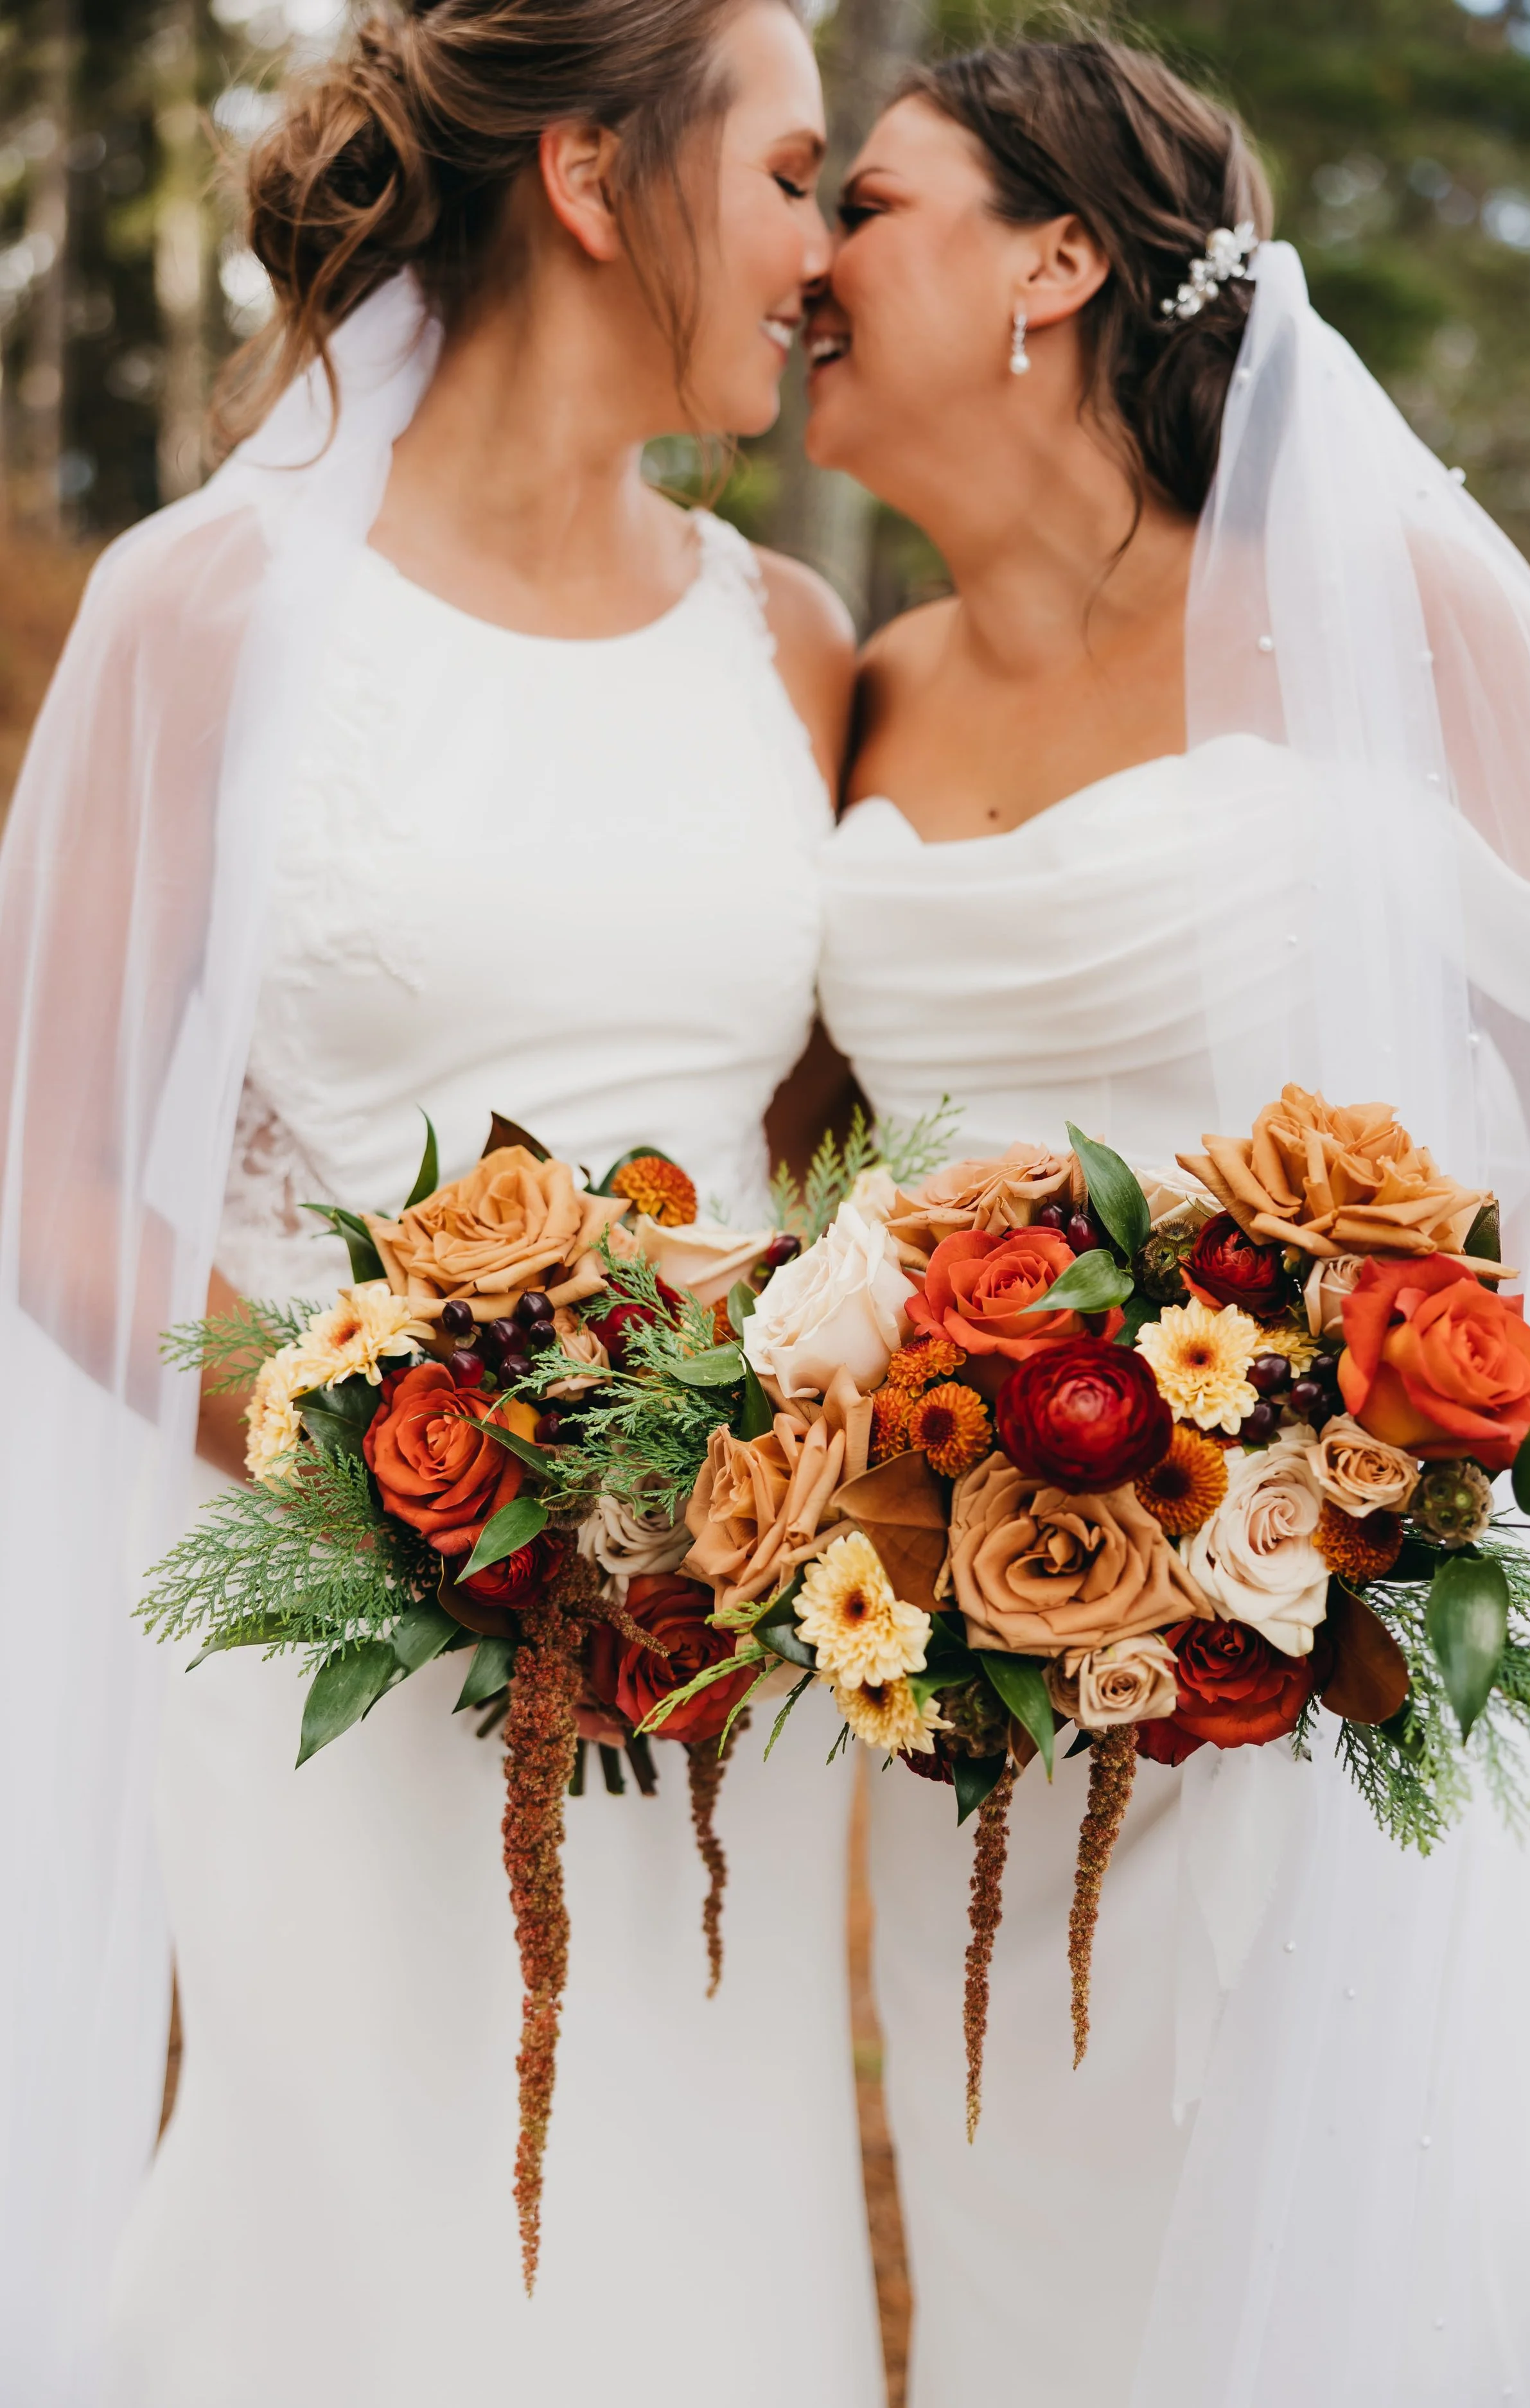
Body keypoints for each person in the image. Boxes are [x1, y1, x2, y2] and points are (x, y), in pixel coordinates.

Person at [0, 3, 887, 2400]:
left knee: (698, 2258)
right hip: (337, 1631)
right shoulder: (210, 613)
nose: (822, 257)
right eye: (794, 176)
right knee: (365, 2272)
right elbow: (55, 1176)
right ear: (598, 180)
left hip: (720, 1655)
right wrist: (406, 1479)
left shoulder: (786, 645)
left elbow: (823, 1158)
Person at [806, 29, 1530, 2408]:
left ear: (1056, 254)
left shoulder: (1377, 615)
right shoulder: (864, 688)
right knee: (1042, 2277)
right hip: (972, 1693)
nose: (810, 265)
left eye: (864, 203)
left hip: (1320, 1664)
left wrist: (1412, 1500)